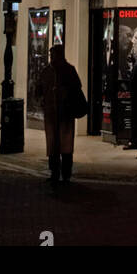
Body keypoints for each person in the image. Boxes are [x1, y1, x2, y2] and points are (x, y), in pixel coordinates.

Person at [39, 44, 84, 185]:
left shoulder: (68, 70)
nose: (52, 58)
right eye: (51, 55)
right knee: (53, 145)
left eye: (54, 55)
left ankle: (65, 174)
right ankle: (55, 172)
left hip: (65, 113)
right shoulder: (48, 71)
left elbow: (77, 87)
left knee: (65, 145)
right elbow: (38, 89)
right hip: (52, 113)